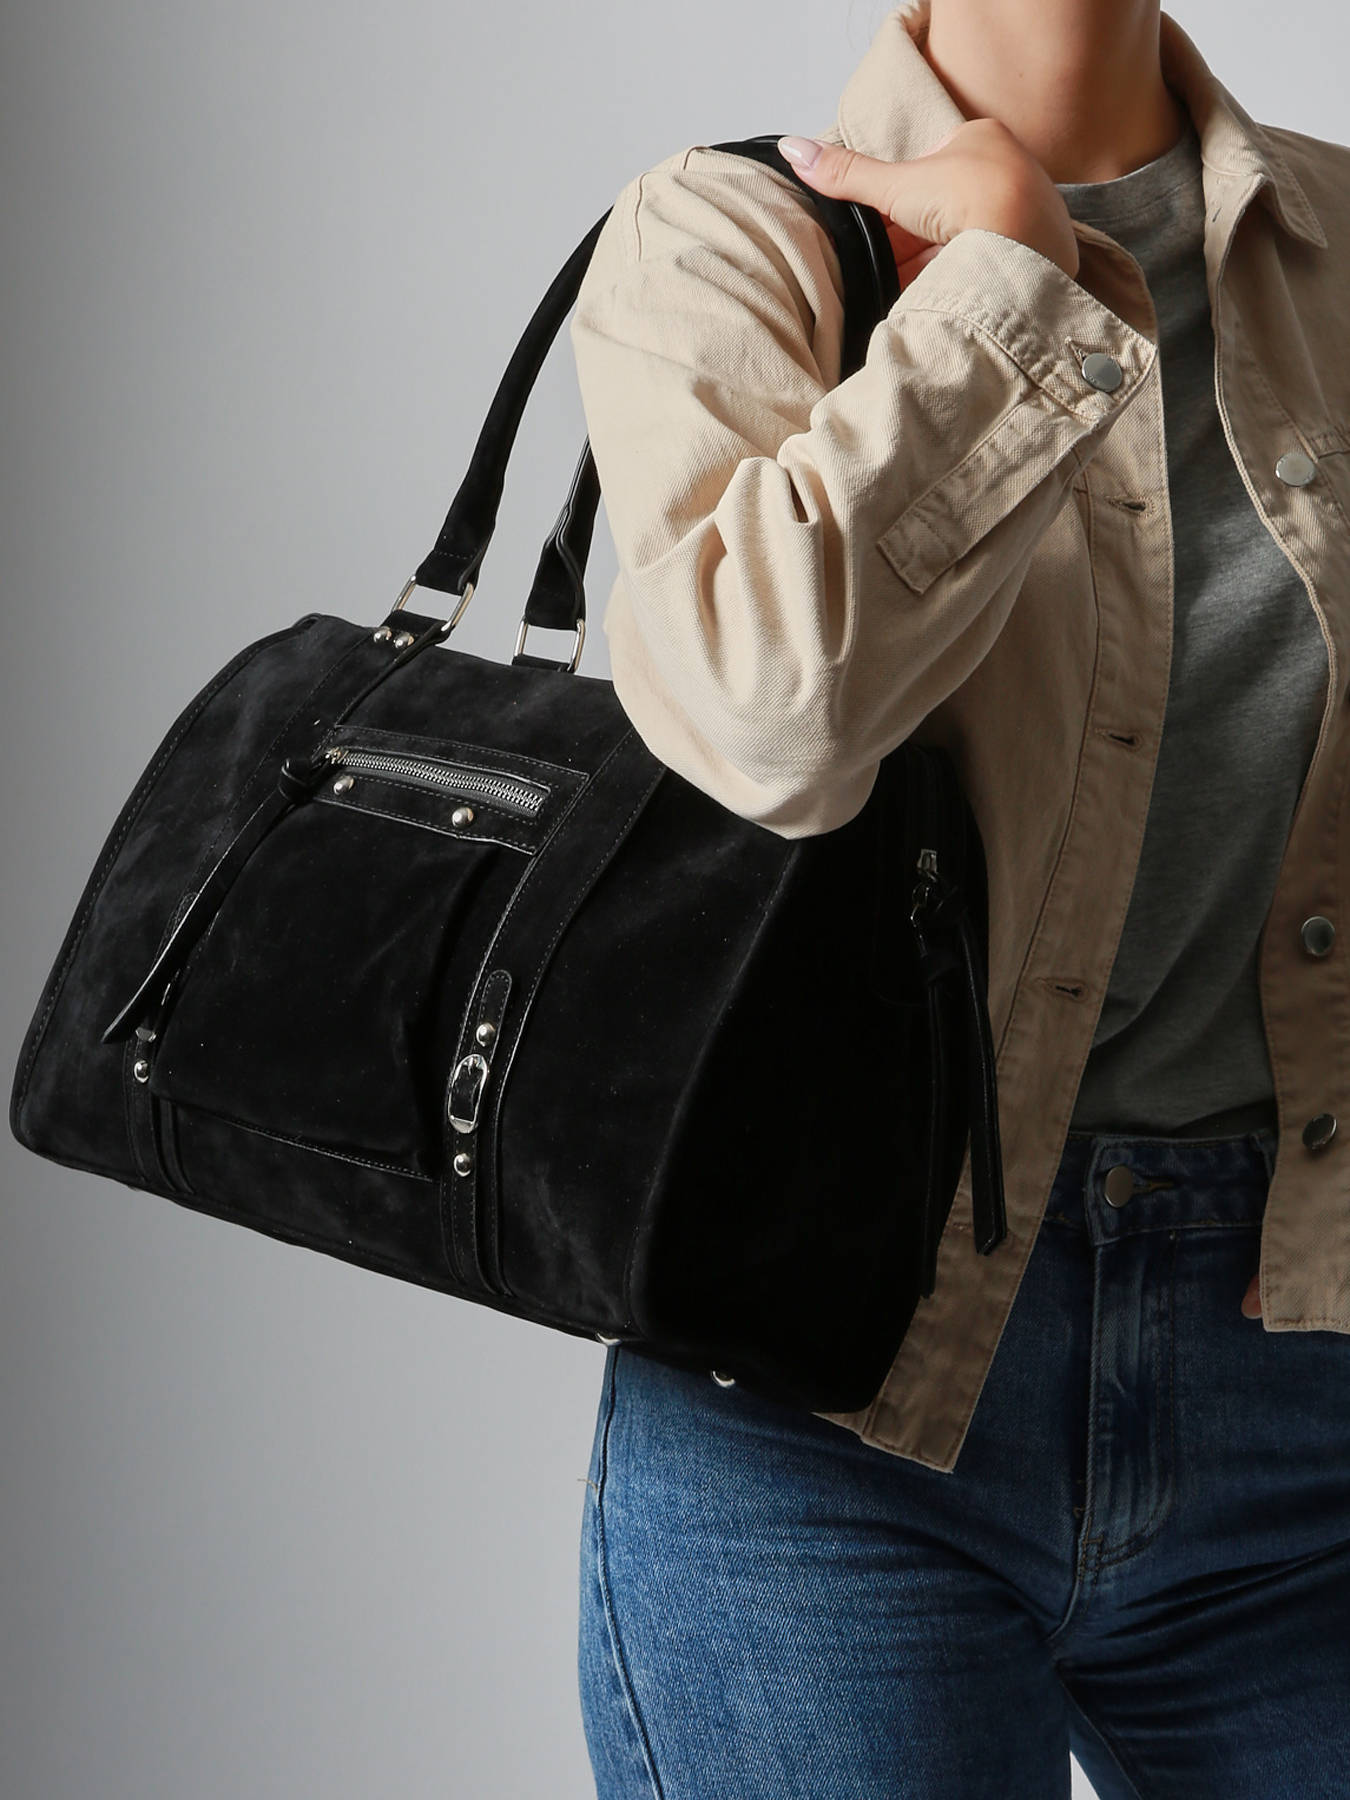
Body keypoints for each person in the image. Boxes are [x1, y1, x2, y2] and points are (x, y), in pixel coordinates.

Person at [568, 0, 1350, 1792]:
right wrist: (1001, 283)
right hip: (829, 1403)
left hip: (1300, 1387)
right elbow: (767, 719)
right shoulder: (729, 235)